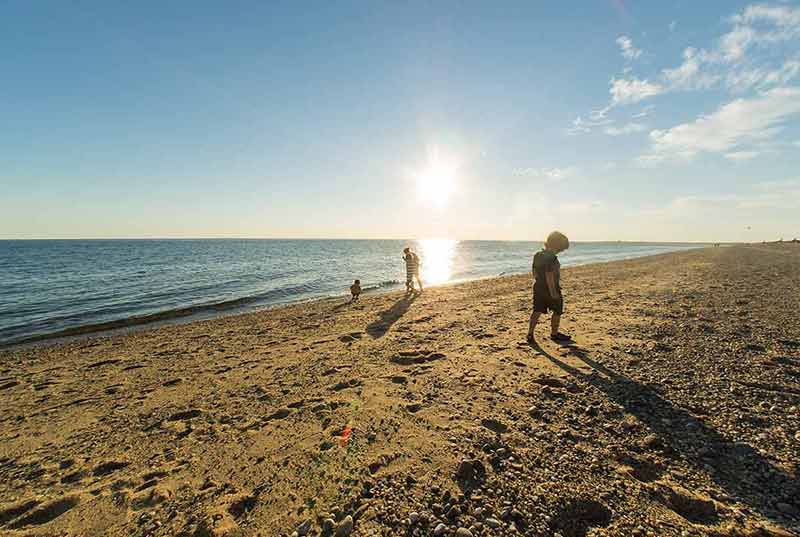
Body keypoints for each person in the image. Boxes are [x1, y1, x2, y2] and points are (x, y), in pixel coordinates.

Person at [527, 231, 572, 343]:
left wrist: (538, 282)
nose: (561, 251)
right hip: (551, 288)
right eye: (561, 249)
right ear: (558, 246)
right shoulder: (552, 258)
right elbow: (549, 275)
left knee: (537, 310)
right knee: (557, 311)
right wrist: (553, 292)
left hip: (538, 287)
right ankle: (554, 334)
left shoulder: (538, 255)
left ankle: (530, 334)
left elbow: (534, 272)